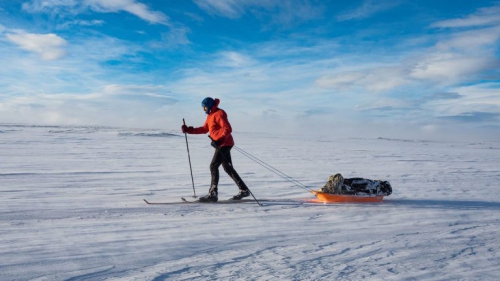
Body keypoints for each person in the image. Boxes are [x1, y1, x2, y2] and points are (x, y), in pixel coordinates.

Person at [181, 97, 250, 202]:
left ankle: (213, 194)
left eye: (204, 108)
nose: (204, 110)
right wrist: (188, 130)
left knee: (213, 166)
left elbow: (228, 128)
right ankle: (244, 189)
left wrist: (219, 140)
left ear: (209, 105)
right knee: (227, 167)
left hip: (224, 143)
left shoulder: (219, 113)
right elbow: (204, 129)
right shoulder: (210, 116)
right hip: (221, 144)